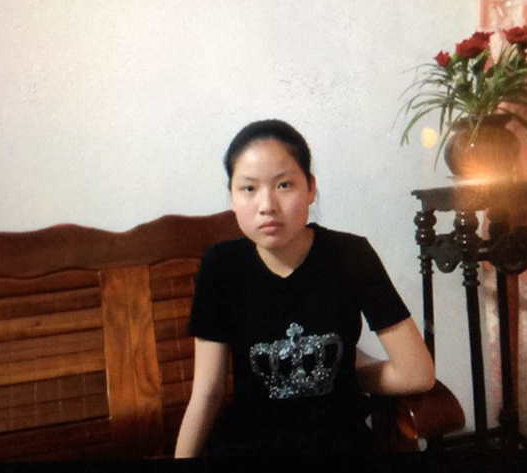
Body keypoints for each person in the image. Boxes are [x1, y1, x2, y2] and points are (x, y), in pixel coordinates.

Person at [174, 119, 435, 458]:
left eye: (284, 185)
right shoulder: (220, 266)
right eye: (249, 188)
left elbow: (416, 373)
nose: (267, 205)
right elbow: (207, 393)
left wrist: (344, 373)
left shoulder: (351, 255)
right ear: (232, 197)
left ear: (311, 188)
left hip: (342, 448)